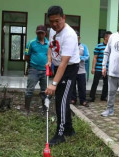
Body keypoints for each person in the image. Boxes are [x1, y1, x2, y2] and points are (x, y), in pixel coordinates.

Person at [45, 6, 80, 146]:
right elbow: (50, 46)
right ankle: (69, 129)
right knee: (61, 99)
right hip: (58, 66)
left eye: (57, 21)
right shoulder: (53, 30)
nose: (54, 24)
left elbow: (65, 63)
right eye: (51, 21)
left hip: (69, 69)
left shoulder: (69, 35)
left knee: (62, 101)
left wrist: (53, 84)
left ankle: (60, 134)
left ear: (64, 17)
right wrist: (49, 60)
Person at [24, 25, 49, 114]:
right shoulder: (31, 43)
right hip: (33, 70)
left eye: (42, 33)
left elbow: (50, 57)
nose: (40, 35)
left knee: (44, 91)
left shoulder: (49, 44)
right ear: (36, 33)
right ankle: (26, 110)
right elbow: (26, 56)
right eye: (38, 33)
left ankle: (45, 109)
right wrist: (30, 66)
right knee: (30, 90)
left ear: (45, 33)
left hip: (45, 71)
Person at [88, 31, 112, 103]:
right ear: (105, 37)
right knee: (95, 82)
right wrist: (93, 68)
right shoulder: (99, 46)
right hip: (98, 68)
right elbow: (95, 57)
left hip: (108, 69)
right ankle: (92, 97)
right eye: (110, 37)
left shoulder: (112, 47)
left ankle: (103, 97)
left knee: (106, 83)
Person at [70, 31, 89, 107]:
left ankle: (83, 100)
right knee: (72, 86)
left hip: (81, 70)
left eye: (77, 37)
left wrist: (79, 58)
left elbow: (87, 56)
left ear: (79, 38)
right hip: (72, 70)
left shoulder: (83, 46)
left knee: (82, 86)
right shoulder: (70, 46)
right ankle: (73, 99)